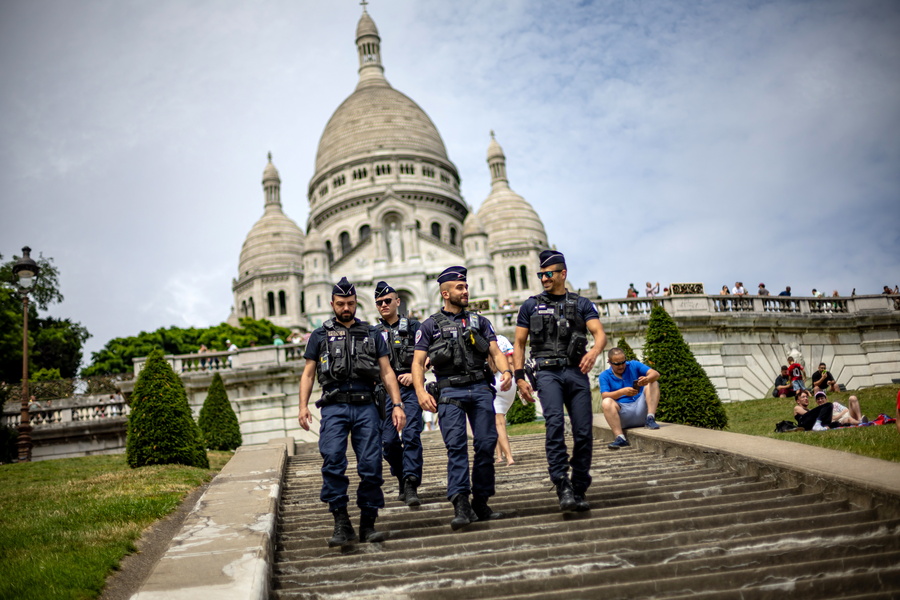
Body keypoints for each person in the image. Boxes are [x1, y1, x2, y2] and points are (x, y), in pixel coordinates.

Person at [297, 277, 406, 547]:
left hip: (366, 404)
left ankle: (368, 523)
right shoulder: (320, 336)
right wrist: (302, 406)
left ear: (356, 303)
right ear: (332, 304)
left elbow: (387, 372)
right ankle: (341, 522)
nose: (346, 308)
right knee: (333, 460)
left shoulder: (372, 333)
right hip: (334, 406)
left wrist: (397, 405)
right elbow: (308, 374)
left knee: (371, 465)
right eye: (341, 304)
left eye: (350, 303)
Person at [412, 266, 511, 530]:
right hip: (449, 392)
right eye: (460, 287)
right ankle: (461, 503)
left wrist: (506, 371)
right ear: (445, 293)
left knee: (487, 442)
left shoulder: (480, 322)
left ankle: (481, 500)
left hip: (480, 388)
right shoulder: (430, 325)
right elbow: (418, 362)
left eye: (466, 286)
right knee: (456, 447)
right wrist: (420, 391)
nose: (465, 291)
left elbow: (496, 351)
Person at [513, 250, 607, 512]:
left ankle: (579, 484)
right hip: (547, 373)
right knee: (554, 423)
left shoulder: (581, 304)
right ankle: (561, 483)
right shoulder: (530, 306)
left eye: (548, 274)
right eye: (541, 274)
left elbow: (599, 334)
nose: (544, 278)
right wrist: (520, 377)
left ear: (563, 274)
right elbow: (519, 343)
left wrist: (594, 351)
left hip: (576, 372)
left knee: (584, 432)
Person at [374, 280, 424, 507]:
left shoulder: (414, 327)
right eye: (379, 302)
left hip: (410, 390)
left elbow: (429, 355)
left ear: (397, 301)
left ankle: (411, 482)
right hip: (384, 394)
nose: (383, 305)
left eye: (387, 300)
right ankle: (401, 475)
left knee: (412, 435)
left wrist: (415, 375)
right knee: (389, 442)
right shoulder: (373, 333)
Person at [599, 348, 661, 449]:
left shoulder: (634, 365)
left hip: (640, 408)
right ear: (609, 362)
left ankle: (650, 418)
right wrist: (621, 392)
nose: (621, 366)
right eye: (617, 364)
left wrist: (647, 379)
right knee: (606, 402)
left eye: (623, 362)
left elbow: (656, 374)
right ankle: (620, 437)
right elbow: (604, 395)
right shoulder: (604, 375)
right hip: (623, 414)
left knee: (653, 382)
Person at [491, 335, 517, 466]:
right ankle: (499, 455)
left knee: (498, 422)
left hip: (494, 381)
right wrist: (516, 380)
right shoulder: (502, 339)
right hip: (508, 380)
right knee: (495, 420)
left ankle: (508, 456)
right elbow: (511, 361)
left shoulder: (478, 339)